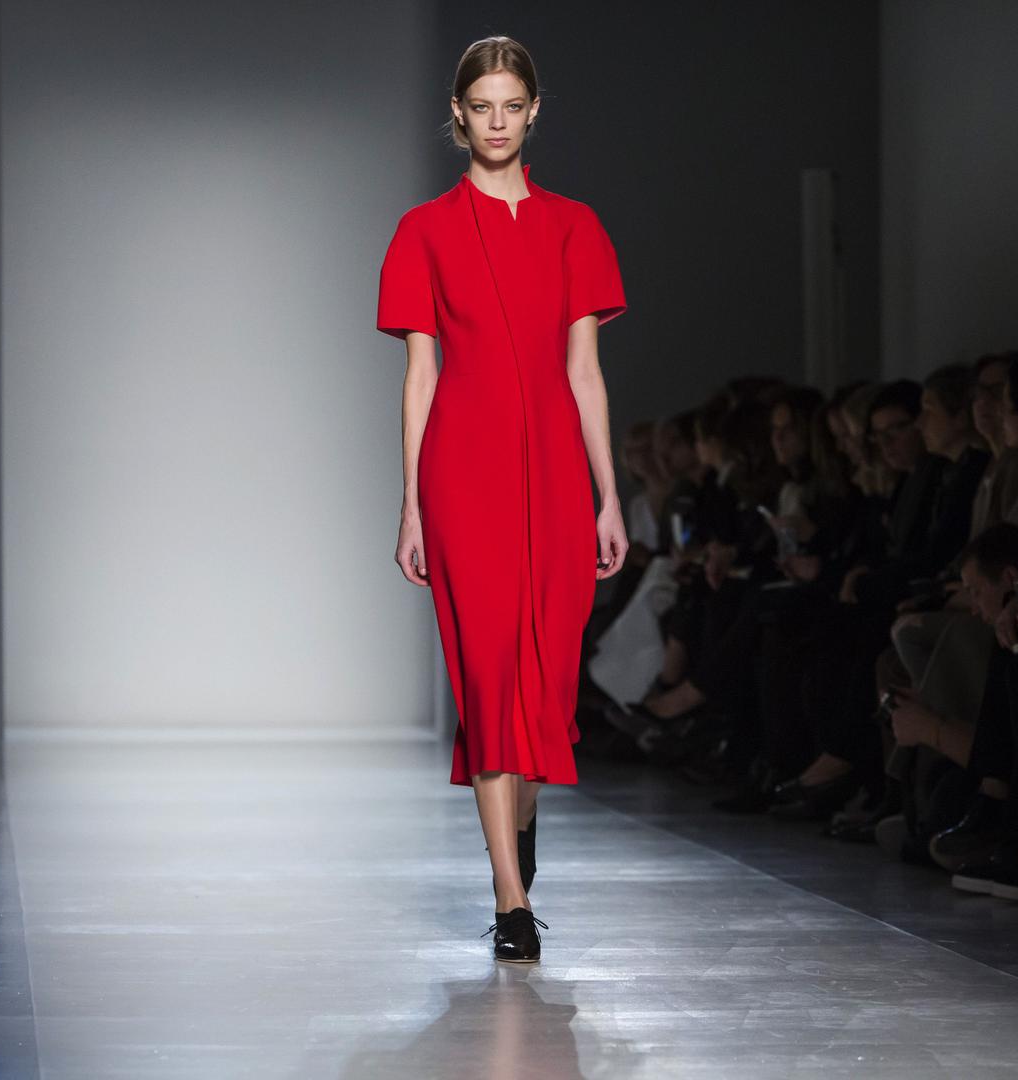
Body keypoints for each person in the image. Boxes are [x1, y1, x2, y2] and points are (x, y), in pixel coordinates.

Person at [375, 35, 628, 965]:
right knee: (487, 677)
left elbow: (584, 373)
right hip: (463, 476)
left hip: (556, 474)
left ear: (532, 112)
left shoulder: (575, 227)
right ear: (458, 115)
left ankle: (519, 824)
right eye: (479, 107)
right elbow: (419, 377)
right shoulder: (422, 231)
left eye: (510, 106)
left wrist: (609, 496)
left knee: (547, 685)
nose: (495, 122)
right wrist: (411, 503)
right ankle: (510, 899)